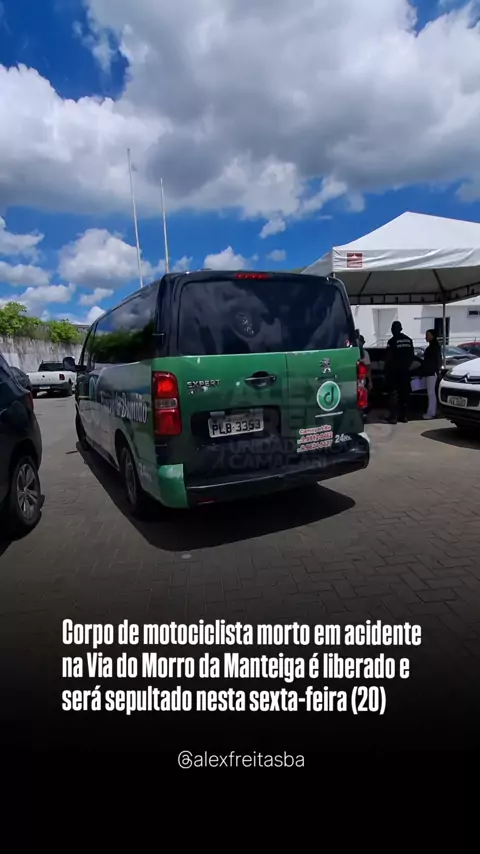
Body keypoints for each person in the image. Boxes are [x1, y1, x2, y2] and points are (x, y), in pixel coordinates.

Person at [384, 321, 414, 424]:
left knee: (393, 394)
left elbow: (388, 357)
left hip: (394, 372)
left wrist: (387, 370)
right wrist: (406, 366)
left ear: (393, 330)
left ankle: (393, 418)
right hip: (405, 371)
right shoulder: (409, 340)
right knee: (404, 394)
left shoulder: (392, 341)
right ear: (401, 329)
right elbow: (412, 356)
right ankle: (404, 416)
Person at [421, 329, 442, 420]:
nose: (426, 337)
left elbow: (438, 360)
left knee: (431, 393)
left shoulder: (434, 347)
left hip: (431, 372)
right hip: (430, 372)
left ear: (433, 336)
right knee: (430, 392)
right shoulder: (432, 347)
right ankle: (431, 411)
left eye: (428, 335)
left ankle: (431, 412)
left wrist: (437, 371)